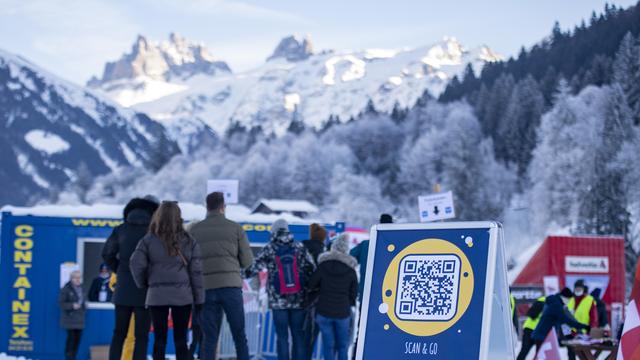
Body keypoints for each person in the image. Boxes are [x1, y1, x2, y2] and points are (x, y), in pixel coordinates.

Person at [130, 201, 204, 360]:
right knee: (180, 340)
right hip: (182, 296)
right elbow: (196, 272)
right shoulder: (189, 241)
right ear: (178, 217)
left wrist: (144, 283)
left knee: (159, 339)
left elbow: (135, 262)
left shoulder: (148, 239)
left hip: (157, 295)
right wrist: (199, 299)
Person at [188, 192, 254, 360]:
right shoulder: (236, 228)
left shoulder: (194, 230)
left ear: (206, 206)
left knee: (209, 338)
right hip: (231, 288)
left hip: (206, 288)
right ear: (223, 207)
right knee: (239, 336)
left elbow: (188, 261)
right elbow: (247, 261)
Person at [246, 219, 316, 360]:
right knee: (298, 337)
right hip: (298, 300)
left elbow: (253, 268)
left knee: (282, 337)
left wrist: (241, 272)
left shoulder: (270, 248)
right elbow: (312, 268)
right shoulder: (299, 247)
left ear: (273, 231)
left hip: (278, 300)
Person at [102, 195, 159, 360]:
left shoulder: (120, 229)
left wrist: (120, 270)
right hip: (145, 291)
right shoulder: (154, 233)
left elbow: (106, 254)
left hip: (123, 291)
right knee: (142, 336)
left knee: (119, 334)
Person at [309, 233, 358, 360]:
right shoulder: (351, 270)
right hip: (342, 313)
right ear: (346, 250)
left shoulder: (323, 265)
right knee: (342, 346)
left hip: (324, 312)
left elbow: (311, 284)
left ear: (333, 248)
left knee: (328, 345)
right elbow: (353, 294)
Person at [350, 214, 392, 360]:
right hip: (388, 300)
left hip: (366, 295)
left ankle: (357, 356)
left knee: (362, 331)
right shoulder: (395, 245)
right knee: (385, 332)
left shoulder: (366, 245)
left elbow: (349, 258)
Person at [302, 223, 327, 359]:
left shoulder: (301, 249)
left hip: (298, 297)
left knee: (297, 334)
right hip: (317, 300)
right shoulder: (324, 255)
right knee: (311, 335)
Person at [566, 280, 599, 360]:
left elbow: (594, 318)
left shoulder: (590, 300)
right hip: (570, 332)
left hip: (583, 334)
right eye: (576, 288)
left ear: (584, 289)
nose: (577, 290)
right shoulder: (570, 300)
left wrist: (590, 331)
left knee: (584, 355)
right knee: (571, 354)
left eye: (580, 288)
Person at [59, 270, 86, 360]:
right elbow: (61, 303)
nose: (78, 280)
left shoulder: (82, 289)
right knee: (71, 340)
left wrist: (84, 310)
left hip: (80, 319)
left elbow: (84, 303)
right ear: (71, 279)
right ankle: (69, 358)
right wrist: (72, 306)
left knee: (77, 341)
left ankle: (73, 357)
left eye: (79, 277)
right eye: (76, 278)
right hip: (70, 319)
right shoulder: (66, 289)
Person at [516, 296, 545, 360]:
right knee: (539, 352)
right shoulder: (546, 304)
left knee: (524, 350)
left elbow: (530, 314)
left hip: (528, 328)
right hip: (537, 330)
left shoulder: (538, 302)